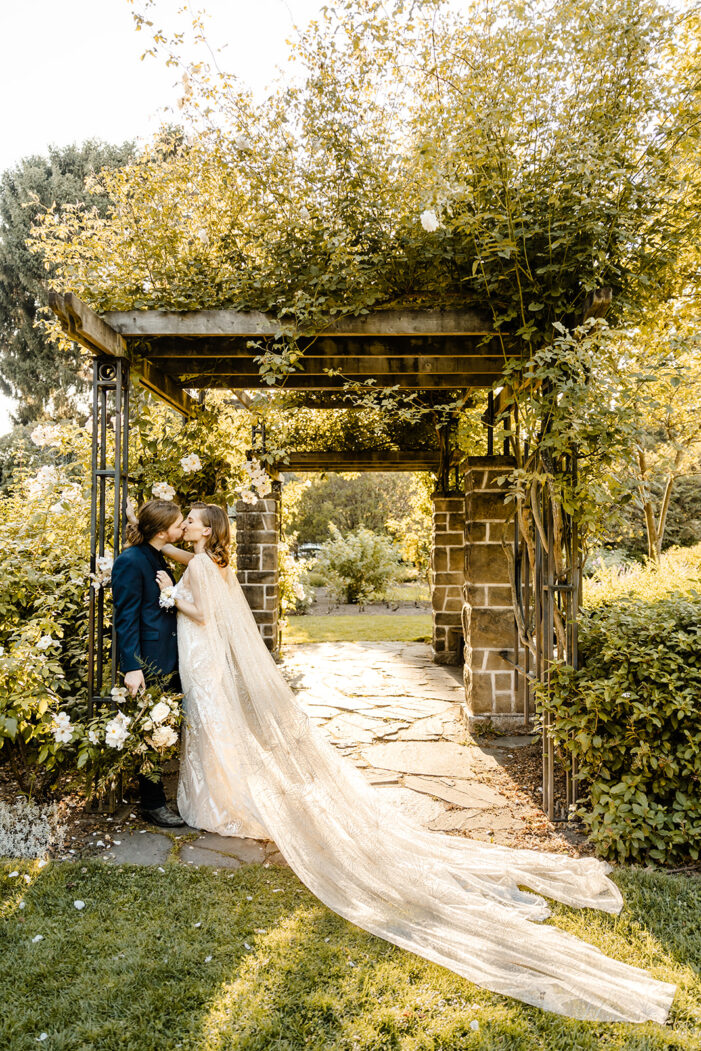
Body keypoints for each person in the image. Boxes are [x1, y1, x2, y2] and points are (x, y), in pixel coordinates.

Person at [156, 501, 675, 1023]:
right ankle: (223, 791)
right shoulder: (215, 562)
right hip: (207, 656)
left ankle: (220, 799)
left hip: (200, 652)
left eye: (195, 521)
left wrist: (168, 594)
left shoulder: (199, 568)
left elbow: (200, 609)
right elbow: (192, 561)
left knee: (213, 729)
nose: (189, 526)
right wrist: (168, 551)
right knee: (216, 728)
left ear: (209, 530)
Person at [111, 498, 190, 827]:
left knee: (162, 731)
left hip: (167, 657)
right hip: (148, 661)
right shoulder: (131, 560)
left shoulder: (155, 554)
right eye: (178, 523)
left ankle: (158, 796)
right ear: (162, 531)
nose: (183, 526)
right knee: (150, 731)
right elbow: (125, 617)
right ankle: (153, 804)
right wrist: (132, 666)